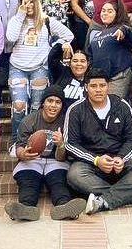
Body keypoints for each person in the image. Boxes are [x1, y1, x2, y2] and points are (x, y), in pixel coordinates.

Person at [63, 69, 132, 214]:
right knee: (74, 175)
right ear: (86, 87)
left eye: (102, 85)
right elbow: (70, 144)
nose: (98, 90)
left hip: (119, 161)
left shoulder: (121, 105)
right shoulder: (76, 110)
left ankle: (105, 200)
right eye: (93, 86)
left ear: (108, 86)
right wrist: (96, 160)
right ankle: (130, 195)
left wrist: (122, 158)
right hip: (91, 164)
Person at [6, 86, 88, 221]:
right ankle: (26, 208)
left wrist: (61, 145)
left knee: (59, 181)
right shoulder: (29, 120)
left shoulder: (66, 122)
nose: (53, 105)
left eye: (58, 102)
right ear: (43, 103)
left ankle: (64, 207)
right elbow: (19, 147)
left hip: (55, 161)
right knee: (28, 181)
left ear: (62, 105)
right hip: (32, 160)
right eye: (50, 101)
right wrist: (23, 154)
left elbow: (62, 158)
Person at [6, 0, 74, 137]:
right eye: (24, 2)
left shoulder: (46, 21)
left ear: (36, 2)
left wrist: (58, 44)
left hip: (40, 68)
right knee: (19, 106)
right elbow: (10, 38)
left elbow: (69, 35)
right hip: (17, 67)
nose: (28, 5)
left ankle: (34, 140)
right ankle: (18, 140)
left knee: (37, 107)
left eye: (31, 2)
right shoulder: (16, 20)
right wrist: (20, 15)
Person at [86, 0, 132, 97]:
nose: (105, 13)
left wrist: (125, 30)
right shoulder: (97, 34)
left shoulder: (121, 29)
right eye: (103, 10)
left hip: (118, 77)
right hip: (100, 80)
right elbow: (89, 55)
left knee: (114, 104)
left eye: (110, 11)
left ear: (117, 14)